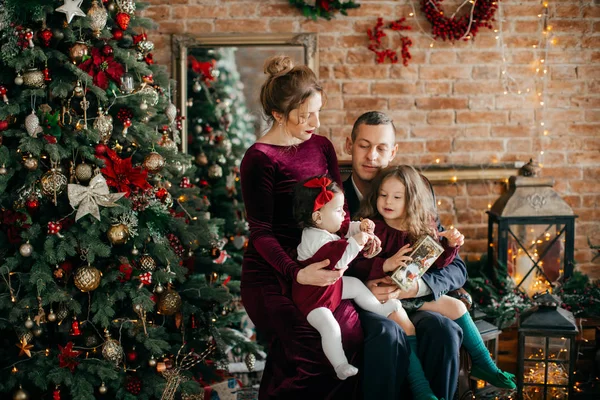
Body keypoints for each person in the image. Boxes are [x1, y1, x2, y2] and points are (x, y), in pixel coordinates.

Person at [240, 55, 362, 399]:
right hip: (273, 275)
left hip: (318, 264)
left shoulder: (322, 145)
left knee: (348, 335)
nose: (316, 121)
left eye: (318, 111)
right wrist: (296, 273)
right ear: (279, 114)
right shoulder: (259, 158)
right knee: (313, 356)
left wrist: (358, 237)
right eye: (306, 115)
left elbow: (341, 211)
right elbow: (260, 231)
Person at [355, 165, 516, 391]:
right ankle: (422, 390)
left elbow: (439, 264)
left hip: (410, 294)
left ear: (412, 201)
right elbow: (356, 264)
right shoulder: (375, 230)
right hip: (386, 299)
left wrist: (450, 246)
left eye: (396, 197)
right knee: (405, 326)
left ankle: (484, 364)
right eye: (383, 195)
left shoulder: (421, 227)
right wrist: (384, 264)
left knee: (457, 307)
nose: (387, 201)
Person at [343, 111, 468, 400]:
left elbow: (456, 267)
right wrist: (369, 279)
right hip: (361, 303)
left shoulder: (414, 191)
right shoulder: (336, 198)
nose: (371, 156)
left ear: (393, 152)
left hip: (412, 298)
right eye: (364, 145)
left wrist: (416, 288)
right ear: (349, 145)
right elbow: (323, 256)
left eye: (381, 148)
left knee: (445, 332)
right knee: (389, 334)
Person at [292, 175, 400, 381]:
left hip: (331, 287)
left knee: (357, 286)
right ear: (317, 217)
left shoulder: (326, 226)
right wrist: (358, 242)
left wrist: (360, 227)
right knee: (330, 327)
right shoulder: (313, 239)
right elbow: (340, 260)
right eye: (338, 210)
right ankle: (340, 364)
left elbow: (344, 227)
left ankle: (379, 308)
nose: (343, 214)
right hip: (313, 299)